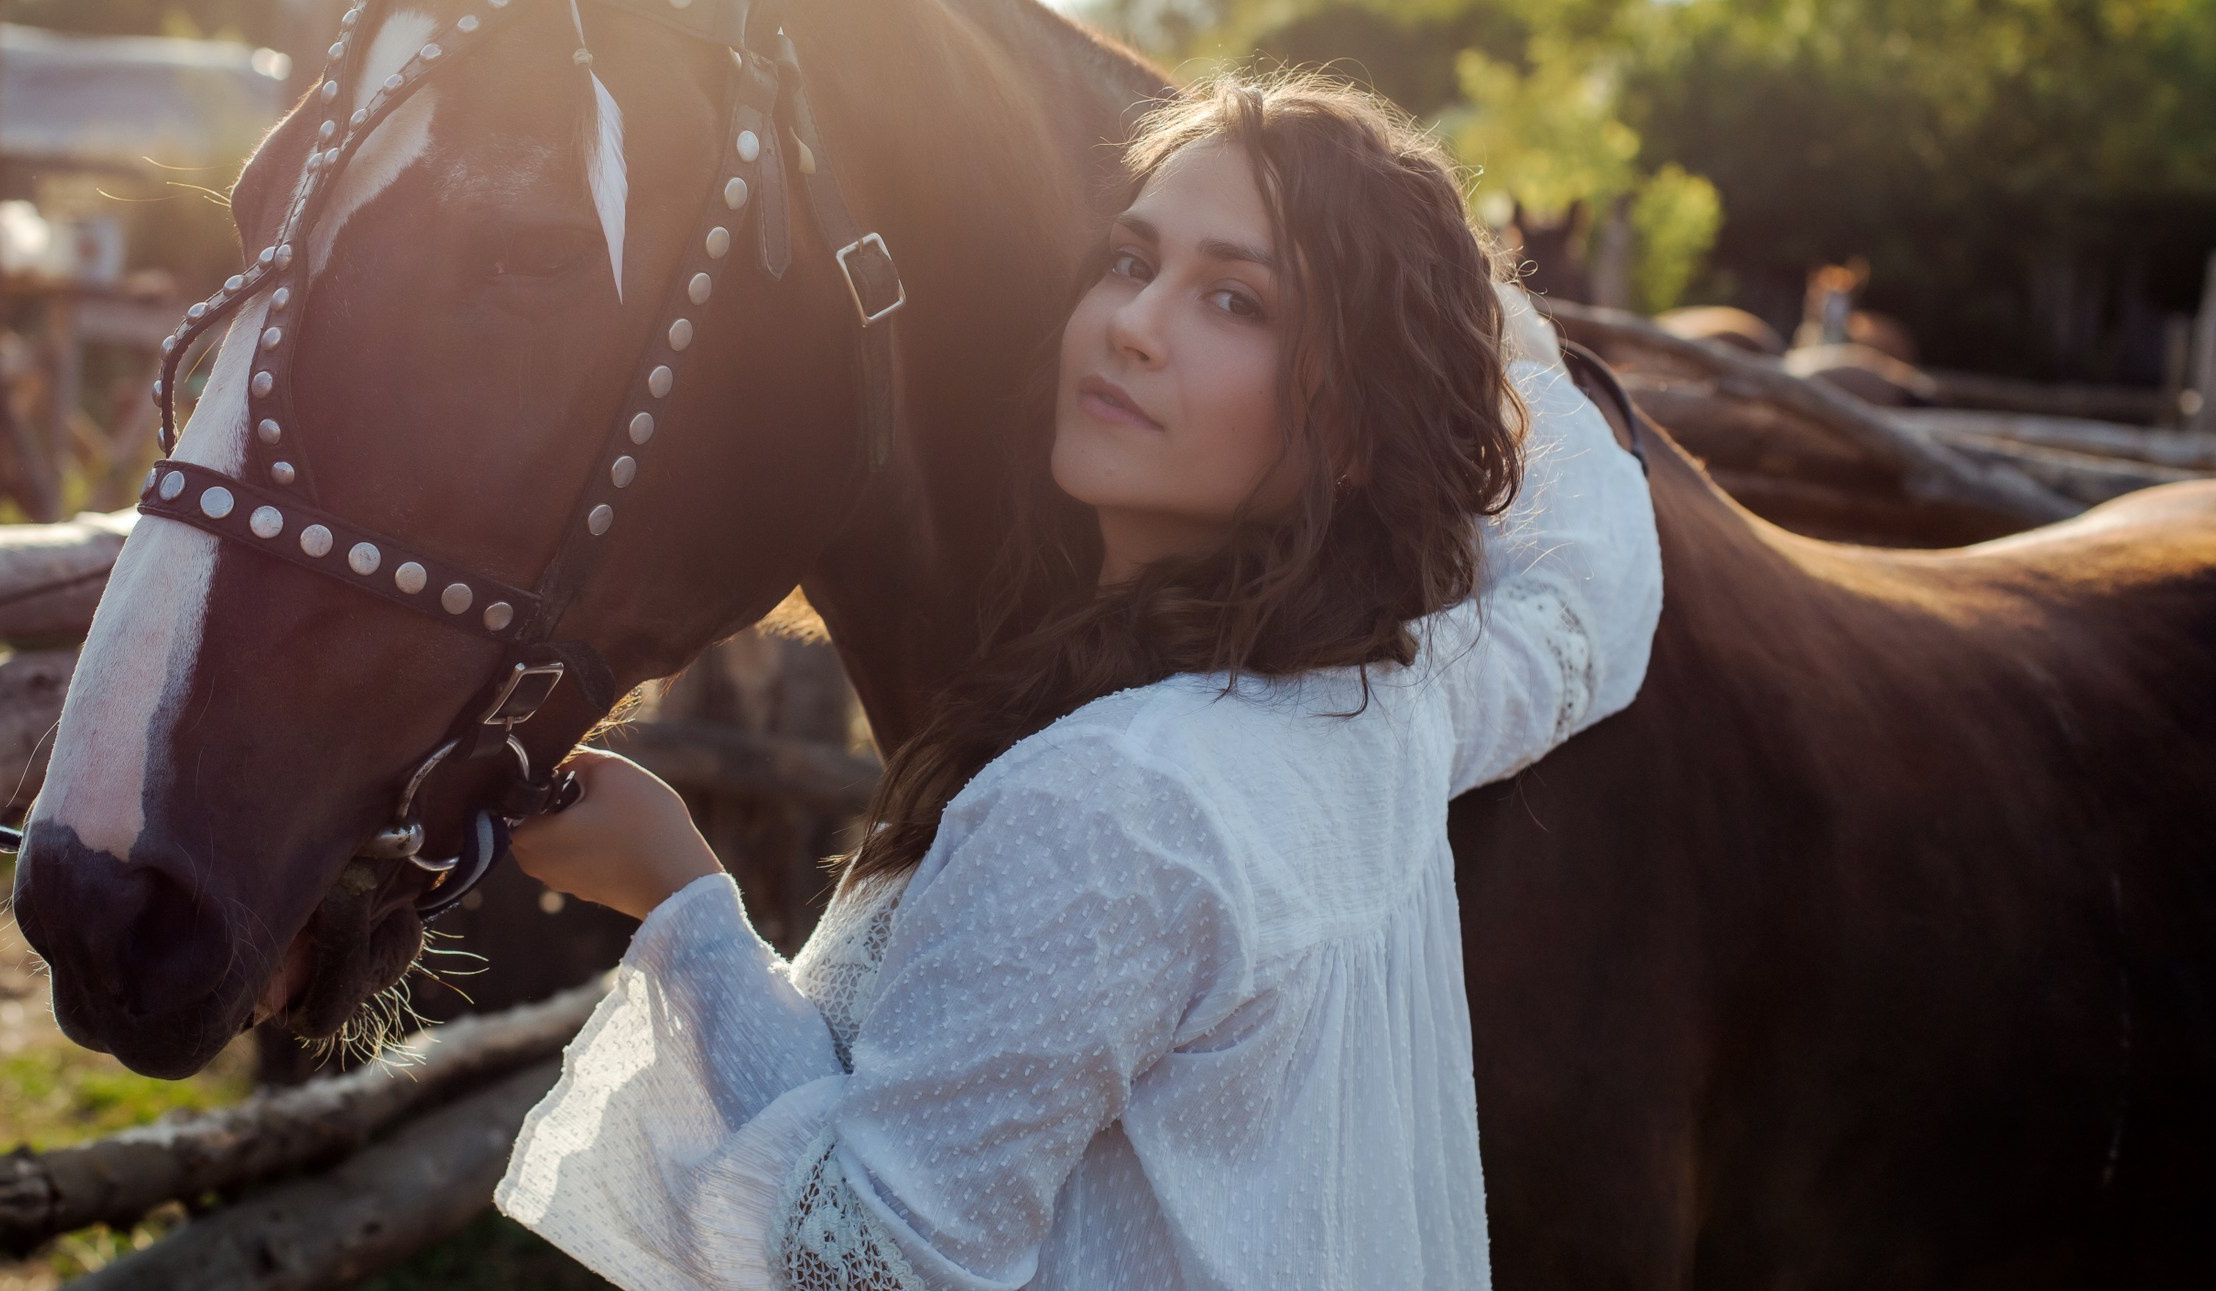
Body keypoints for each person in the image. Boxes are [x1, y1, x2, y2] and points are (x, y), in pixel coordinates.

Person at [495, 72, 1663, 1290]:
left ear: (1360, 423)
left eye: (1233, 300)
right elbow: (1590, 603)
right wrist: (1473, 301)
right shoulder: (1391, 708)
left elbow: (865, 1262)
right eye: (1128, 261)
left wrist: (677, 901)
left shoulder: (1115, 803)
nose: (1133, 323)